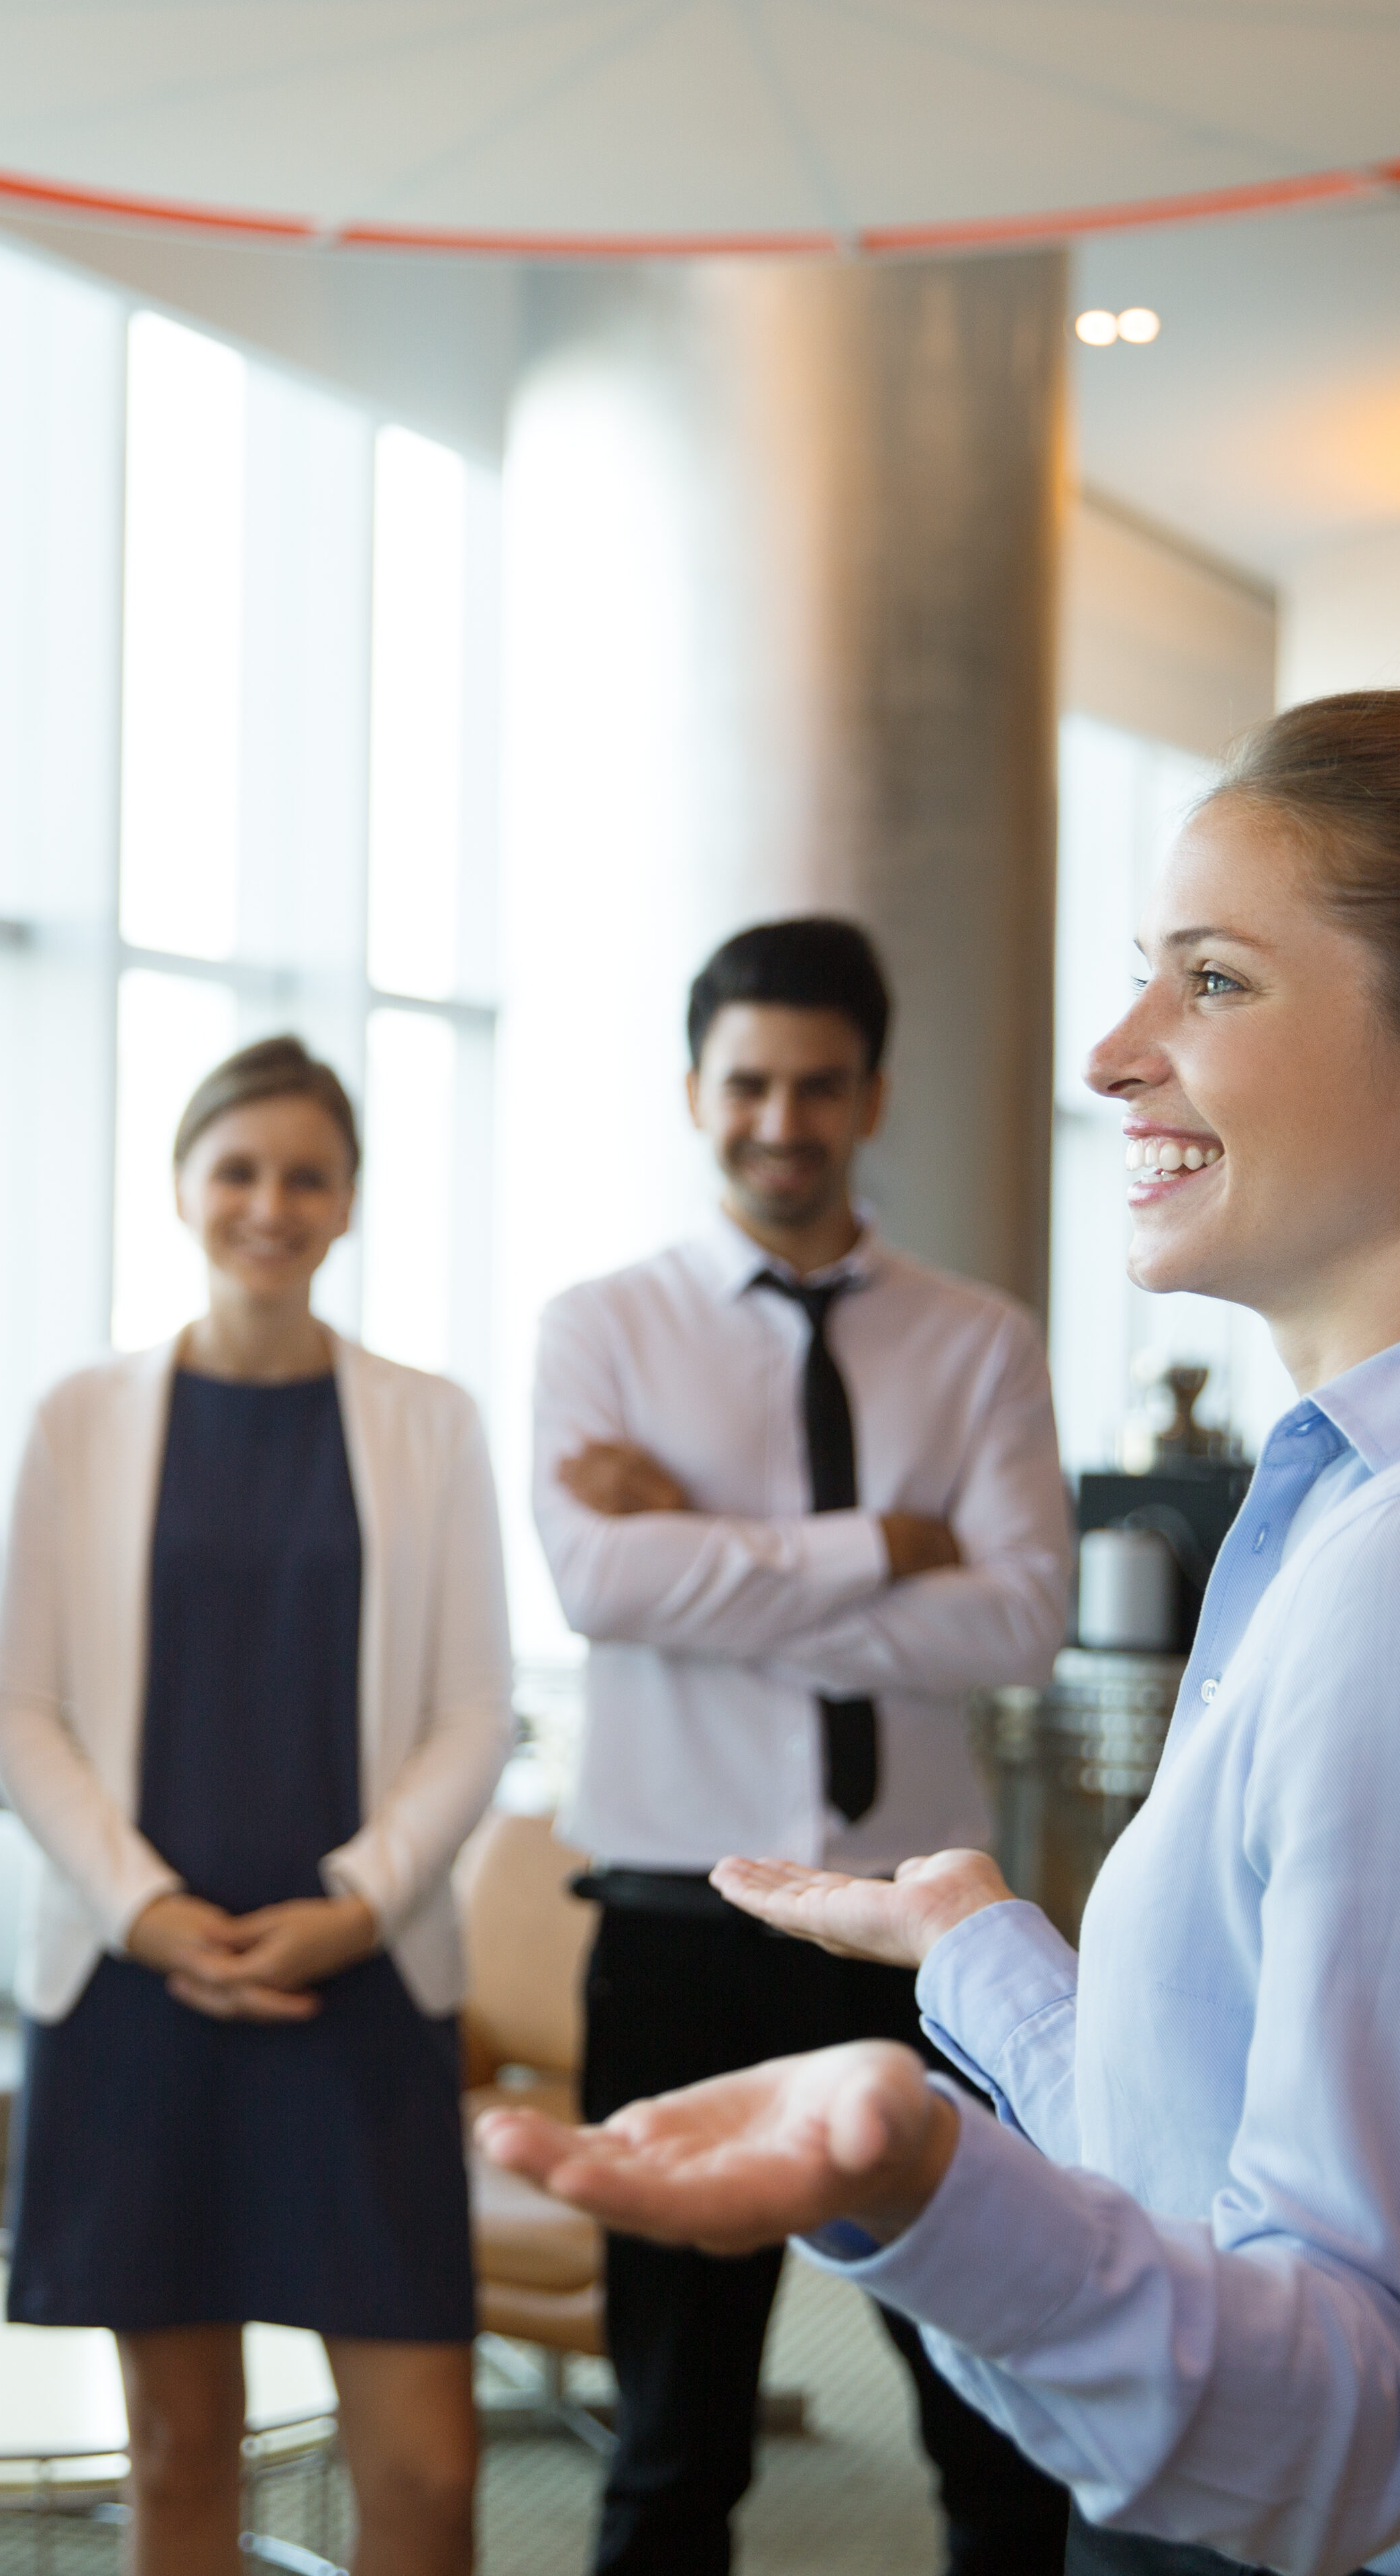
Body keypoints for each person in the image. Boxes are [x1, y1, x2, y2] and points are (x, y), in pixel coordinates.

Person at [486, 690, 1400, 2576]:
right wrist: (978, 1951)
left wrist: (929, 2188)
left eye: (1216, 983)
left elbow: (1341, 2426)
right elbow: (1220, 2181)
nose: (1113, 1053)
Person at [529, 916, 1075, 2576]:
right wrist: (870, 1546)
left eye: (818, 1086)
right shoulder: (602, 1325)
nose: (783, 1119)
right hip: (677, 1928)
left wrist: (706, 1542)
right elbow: (594, 1582)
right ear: (696, 1091)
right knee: (673, 2438)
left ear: (873, 1096)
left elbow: (1018, 1621)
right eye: (748, 1083)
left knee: (992, 2412)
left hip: (914, 1934)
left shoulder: (977, 1340)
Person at [0, 1036, 517, 2576]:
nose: (269, 1205)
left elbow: (478, 1711)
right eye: (238, 1170)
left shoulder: (433, 1423)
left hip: (361, 1982)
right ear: (182, 1187)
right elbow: (18, 1707)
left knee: (423, 2471)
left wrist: (361, 1903)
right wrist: (142, 1914)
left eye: (307, 1176)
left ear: (347, 1203)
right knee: (175, 2452)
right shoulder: (78, 1420)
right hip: (134, 1987)